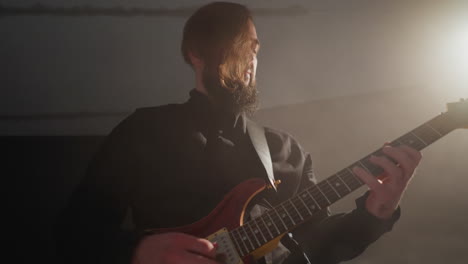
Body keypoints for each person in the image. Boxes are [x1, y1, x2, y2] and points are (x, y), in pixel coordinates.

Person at [54, 2, 422, 264]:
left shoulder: (286, 151)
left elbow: (319, 247)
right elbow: (73, 234)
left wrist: (376, 213)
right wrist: (135, 251)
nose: (249, 59)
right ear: (196, 53)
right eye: (237, 44)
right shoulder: (146, 131)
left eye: (255, 49)